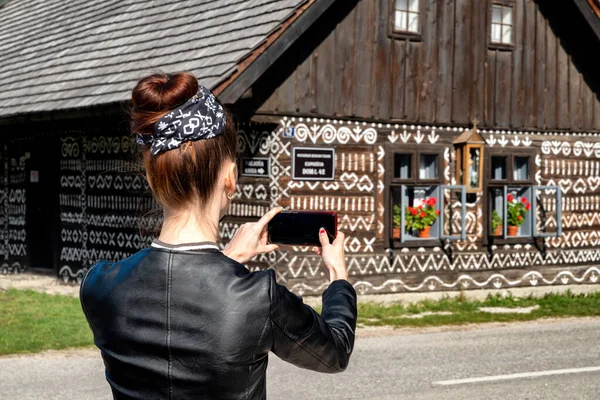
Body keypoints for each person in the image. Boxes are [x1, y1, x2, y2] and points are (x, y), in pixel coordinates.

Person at [79, 72, 357, 400]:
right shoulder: (258, 298)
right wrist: (338, 276)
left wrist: (226, 260)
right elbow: (335, 351)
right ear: (230, 178)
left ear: (153, 179)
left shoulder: (99, 286)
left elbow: (176, 307)